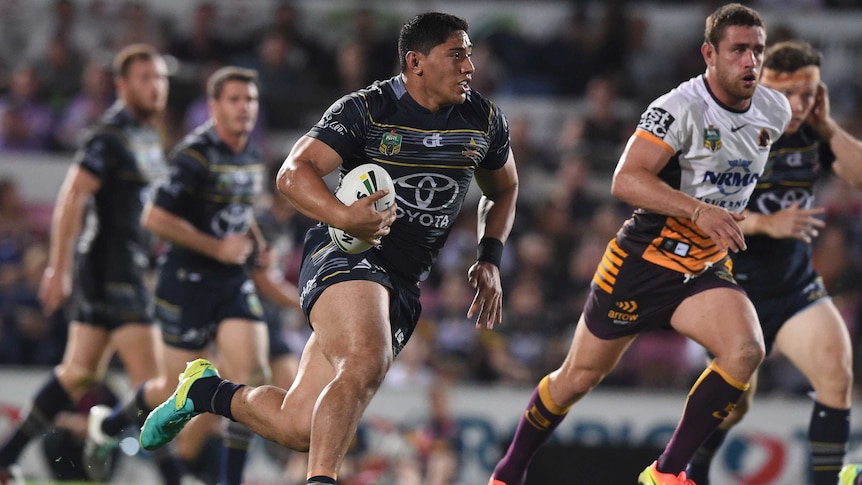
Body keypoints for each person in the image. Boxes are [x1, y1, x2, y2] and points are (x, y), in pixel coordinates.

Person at [138, 12, 518, 485]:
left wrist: (490, 256)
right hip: (345, 251)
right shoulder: (367, 109)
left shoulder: (482, 119)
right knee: (364, 360)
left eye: (470, 55)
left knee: (300, 426)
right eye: (457, 54)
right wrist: (344, 216)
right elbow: (292, 173)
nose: (469, 67)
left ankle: (204, 391)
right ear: (416, 62)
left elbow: (505, 189)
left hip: (403, 280)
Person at [489, 4, 792, 485]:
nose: (751, 61)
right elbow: (625, 180)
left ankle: (667, 473)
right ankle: (509, 470)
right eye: (739, 50)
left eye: (757, 50)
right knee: (578, 379)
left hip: (704, 264)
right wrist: (699, 210)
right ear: (709, 54)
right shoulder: (680, 107)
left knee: (745, 350)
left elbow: (744, 168)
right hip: (644, 258)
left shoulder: (776, 110)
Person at [684, 39, 862, 485]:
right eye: (789, 93)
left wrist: (827, 127)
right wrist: (767, 223)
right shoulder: (728, 130)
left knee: (836, 369)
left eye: (809, 93)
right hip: (732, 290)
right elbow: (699, 205)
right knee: (734, 406)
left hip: (794, 286)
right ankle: (692, 473)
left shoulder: (810, 133)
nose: (798, 105)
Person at [0, 44, 179, 485]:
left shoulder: (146, 136)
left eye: (160, 78)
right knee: (154, 383)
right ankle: (173, 476)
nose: (155, 87)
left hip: (122, 267)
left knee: (80, 374)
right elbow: (72, 195)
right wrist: (56, 267)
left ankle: (6, 458)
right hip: (111, 268)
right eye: (144, 78)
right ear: (121, 85)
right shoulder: (110, 134)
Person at [84, 66, 270, 485]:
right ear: (214, 107)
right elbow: (155, 217)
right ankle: (110, 426)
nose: (245, 108)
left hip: (230, 282)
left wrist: (256, 242)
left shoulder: (252, 152)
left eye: (251, 100)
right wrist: (216, 247)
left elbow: (240, 208)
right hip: (185, 283)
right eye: (235, 100)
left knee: (251, 380)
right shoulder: (195, 155)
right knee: (169, 386)